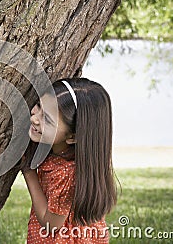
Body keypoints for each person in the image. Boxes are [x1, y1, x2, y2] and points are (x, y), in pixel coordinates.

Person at [22, 78, 117, 243]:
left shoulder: (67, 173)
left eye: (48, 119)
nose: (34, 119)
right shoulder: (59, 152)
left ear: (72, 136)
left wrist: (29, 173)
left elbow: (51, 224)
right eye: (38, 106)